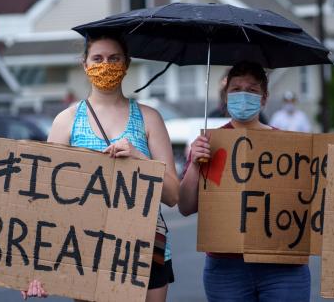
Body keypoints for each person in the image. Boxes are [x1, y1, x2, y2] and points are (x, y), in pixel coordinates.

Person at [21, 34, 180, 301]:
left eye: (114, 58)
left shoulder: (149, 118)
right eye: (97, 58)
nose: (106, 65)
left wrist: (139, 158)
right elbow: (46, 202)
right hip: (87, 249)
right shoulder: (66, 121)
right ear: (85, 64)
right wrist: (36, 267)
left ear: (126, 64)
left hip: (146, 248)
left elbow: (173, 195)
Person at [178, 61, 310, 302]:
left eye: (251, 90)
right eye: (236, 89)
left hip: (282, 266)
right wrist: (195, 164)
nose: (243, 95)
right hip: (226, 269)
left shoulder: (288, 146)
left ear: (264, 98)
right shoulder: (210, 144)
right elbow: (185, 206)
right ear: (226, 96)